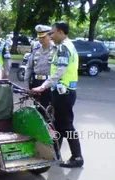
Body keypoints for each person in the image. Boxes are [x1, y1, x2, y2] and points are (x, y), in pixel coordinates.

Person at [32, 21, 84, 168]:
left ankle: (77, 157)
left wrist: (43, 86)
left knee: (67, 126)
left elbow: (60, 71)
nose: (51, 36)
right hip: (64, 92)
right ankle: (56, 153)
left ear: (61, 32)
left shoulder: (63, 47)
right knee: (58, 125)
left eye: (53, 33)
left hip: (63, 93)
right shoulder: (69, 46)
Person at [24, 24, 57, 112]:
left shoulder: (56, 49)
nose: (41, 40)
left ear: (49, 36)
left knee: (48, 110)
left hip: (49, 83)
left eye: (43, 37)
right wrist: (26, 85)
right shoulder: (36, 50)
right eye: (39, 37)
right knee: (38, 108)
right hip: (36, 82)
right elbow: (29, 68)